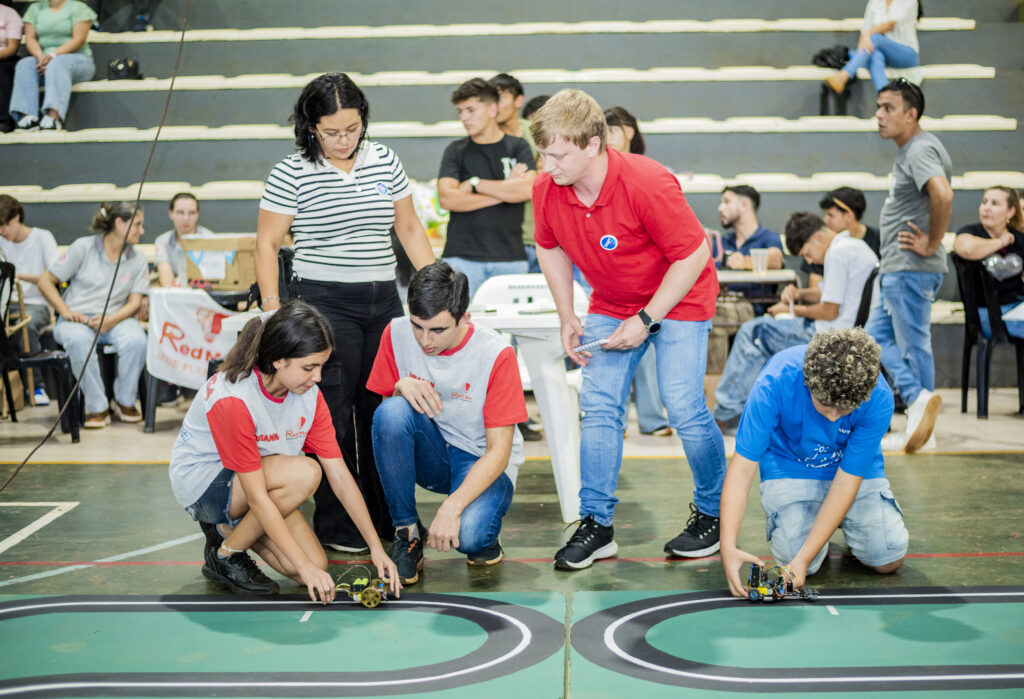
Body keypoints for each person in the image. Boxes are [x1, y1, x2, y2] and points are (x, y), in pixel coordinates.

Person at [530, 89, 725, 570]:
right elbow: (549, 247)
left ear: (593, 145)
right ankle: (596, 524)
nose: (547, 164)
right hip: (613, 301)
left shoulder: (647, 182)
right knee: (598, 407)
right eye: (543, 153)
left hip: (679, 296)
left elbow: (694, 253)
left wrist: (645, 320)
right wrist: (567, 314)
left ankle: (714, 513)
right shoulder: (547, 188)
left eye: (557, 153)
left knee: (681, 403)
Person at [256, 73, 435, 556]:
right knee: (332, 416)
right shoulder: (291, 171)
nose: (343, 139)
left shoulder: (384, 159)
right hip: (323, 302)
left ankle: (392, 514)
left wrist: (438, 289)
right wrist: (272, 313)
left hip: (381, 303)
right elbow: (268, 242)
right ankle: (339, 524)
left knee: (383, 411)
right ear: (311, 127)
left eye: (352, 128)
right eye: (331, 131)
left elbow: (410, 228)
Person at [169, 300, 401, 601]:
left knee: (317, 563)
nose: (317, 377)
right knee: (306, 473)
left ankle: (226, 532)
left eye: (321, 367)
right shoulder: (236, 399)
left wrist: (376, 549)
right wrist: (304, 569)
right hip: (204, 487)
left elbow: (341, 476)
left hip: (255, 479)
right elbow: (257, 497)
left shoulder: (309, 395)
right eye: (309, 367)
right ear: (279, 360)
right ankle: (227, 554)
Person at [367, 262, 526, 584]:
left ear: (464, 318)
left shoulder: (496, 353)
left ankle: (484, 536)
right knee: (391, 411)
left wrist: (451, 508)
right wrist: (400, 387)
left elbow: (498, 452)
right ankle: (407, 531)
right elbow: (388, 428)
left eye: (437, 330)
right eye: (417, 326)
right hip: (434, 453)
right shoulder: (395, 332)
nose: (425, 340)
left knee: (471, 539)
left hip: (480, 459)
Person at [720, 329, 908, 597]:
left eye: (844, 410)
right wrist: (727, 547)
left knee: (889, 556)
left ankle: (837, 527)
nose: (833, 418)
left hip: (851, 471)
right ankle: (824, 531)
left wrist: (803, 561)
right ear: (808, 382)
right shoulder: (773, 383)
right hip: (791, 464)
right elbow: (741, 472)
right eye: (825, 404)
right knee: (790, 555)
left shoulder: (877, 395)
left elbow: (847, 481)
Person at [713, 212, 879, 426]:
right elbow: (832, 295)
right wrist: (800, 295)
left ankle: (726, 414)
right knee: (765, 330)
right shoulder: (856, 247)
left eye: (807, 254)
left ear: (817, 237)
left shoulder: (837, 253)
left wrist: (793, 310)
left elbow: (829, 311)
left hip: (829, 336)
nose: (809, 260)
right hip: (849, 331)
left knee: (753, 332)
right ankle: (749, 409)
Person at [865, 79, 952, 453]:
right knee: (873, 338)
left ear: (911, 114)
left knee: (914, 346)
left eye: (888, 108)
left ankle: (922, 422)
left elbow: (943, 195)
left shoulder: (920, 149)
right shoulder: (915, 149)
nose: (879, 115)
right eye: (879, 107)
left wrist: (932, 242)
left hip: (911, 267)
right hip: (899, 268)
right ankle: (917, 407)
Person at [37, 202, 148, 428]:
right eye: (137, 224)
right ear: (119, 224)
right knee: (78, 341)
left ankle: (124, 400)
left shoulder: (137, 258)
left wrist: (112, 320)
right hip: (77, 318)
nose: (142, 231)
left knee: (137, 340)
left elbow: (135, 302)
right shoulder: (83, 247)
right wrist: (65, 311)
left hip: (116, 318)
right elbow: (45, 281)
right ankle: (98, 407)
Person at [604, 105, 670, 438]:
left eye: (612, 129)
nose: (607, 137)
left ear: (629, 130)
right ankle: (609, 418)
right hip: (609, 274)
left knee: (644, 345)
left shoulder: (653, 171)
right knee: (610, 349)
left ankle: (651, 418)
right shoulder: (596, 177)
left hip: (650, 275)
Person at [438, 77, 536, 297]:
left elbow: (527, 190)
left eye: (471, 110)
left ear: (492, 109)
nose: (464, 118)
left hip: (510, 258)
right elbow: (447, 199)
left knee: (514, 330)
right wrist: (506, 191)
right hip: (461, 258)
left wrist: (474, 184)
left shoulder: (517, 147)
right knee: (461, 328)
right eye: (460, 111)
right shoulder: (455, 150)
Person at [0, 195, 59, 405]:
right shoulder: (1, 242)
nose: (2, 231)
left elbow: (55, 275)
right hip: (6, 303)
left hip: (37, 303)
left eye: (5, 225)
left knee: (28, 325)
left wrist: (18, 276)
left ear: (17, 217)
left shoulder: (42, 238)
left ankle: (37, 386)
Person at [9, 0, 97, 131]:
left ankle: (53, 118)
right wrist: (40, 57)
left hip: (77, 61)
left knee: (58, 63)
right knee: (25, 64)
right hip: (45, 61)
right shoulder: (34, 9)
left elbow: (79, 39)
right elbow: (30, 38)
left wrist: (52, 55)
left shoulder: (78, 7)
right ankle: (28, 118)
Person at [952, 186, 1024, 339]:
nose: (987, 208)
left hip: (1015, 307)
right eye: (984, 202)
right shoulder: (971, 232)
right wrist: (1000, 242)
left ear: (1011, 211)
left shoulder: (1019, 239)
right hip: (985, 312)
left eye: (995, 204)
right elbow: (965, 248)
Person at [490, 73, 542, 274]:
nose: (494, 105)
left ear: (518, 100)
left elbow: (553, 176)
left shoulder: (537, 133)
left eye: (500, 97)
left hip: (538, 238)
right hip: (501, 243)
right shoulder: (485, 139)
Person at [826, 0, 922, 94]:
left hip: (907, 54)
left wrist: (868, 34)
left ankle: (845, 74)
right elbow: (865, 31)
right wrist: (865, 39)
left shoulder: (909, 1)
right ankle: (885, 96)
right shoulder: (875, 2)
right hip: (882, 52)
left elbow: (890, 25)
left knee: (875, 38)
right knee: (875, 55)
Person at [717, 185, 784, 272]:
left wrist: (744, 261)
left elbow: (776, 260)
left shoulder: (769, 238)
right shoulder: (723, 241)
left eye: (727, 201)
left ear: (744, 205)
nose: (720, 208)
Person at [154, 192, 215, 288]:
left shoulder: (210, 239)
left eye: (191, 213)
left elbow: (211, 279)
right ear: (171, 214)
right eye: (180, 212)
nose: (186, 218)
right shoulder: (162, 241)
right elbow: (168, 284)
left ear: (198, 214)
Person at [0, 4, 23, 133]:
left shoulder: (9, 13)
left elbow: (12, 47)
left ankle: (3, 121)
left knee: (1, 70)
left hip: (6, 57)